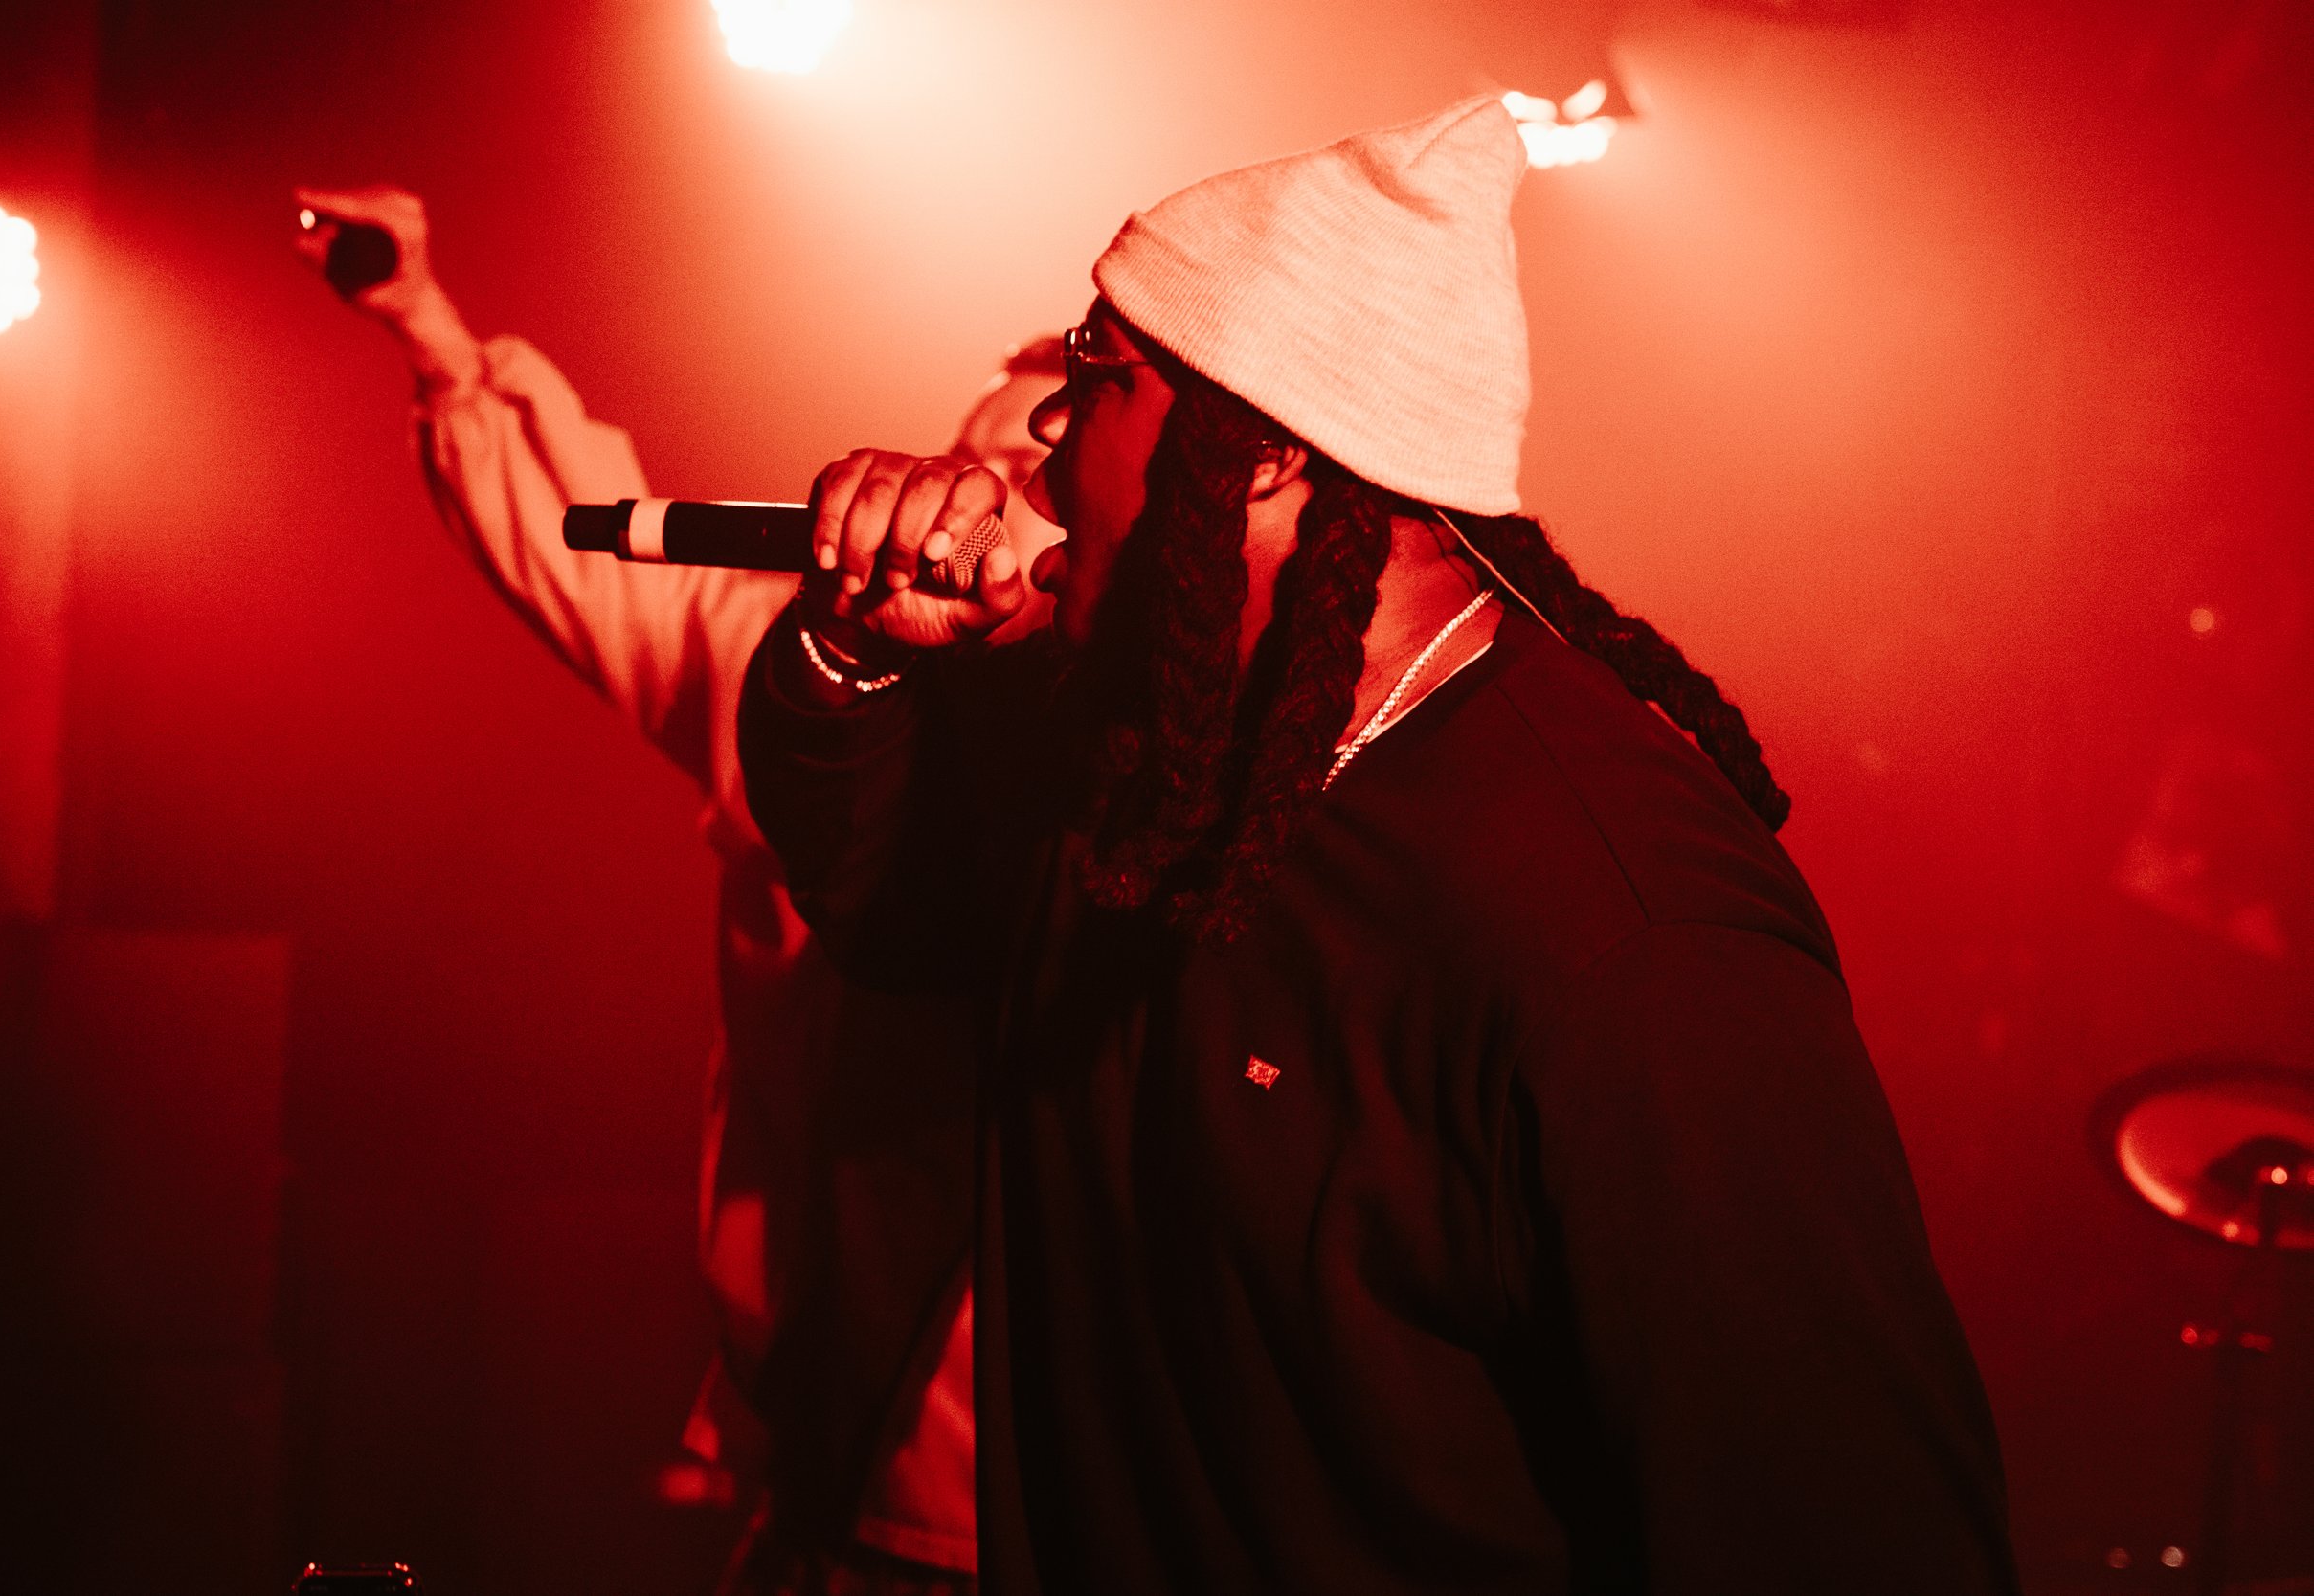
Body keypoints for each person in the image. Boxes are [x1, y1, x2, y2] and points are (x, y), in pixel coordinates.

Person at [737, 98, 2022, 1593]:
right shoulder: (1151, 769)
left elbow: (1840, 1527)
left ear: (1267, 454)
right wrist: (855, 655)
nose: (1043, 430)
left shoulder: (1623, 926)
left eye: (1097, 375)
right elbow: (894, 912)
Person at [293, 184, 1063, 1595]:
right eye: (962, 456)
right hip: (815, 1455)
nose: (980, 498)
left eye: (1035, 465)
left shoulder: (1154, 731)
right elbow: (583, 542)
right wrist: (431, 332)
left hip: (1037, 1499)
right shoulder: (788, 647)